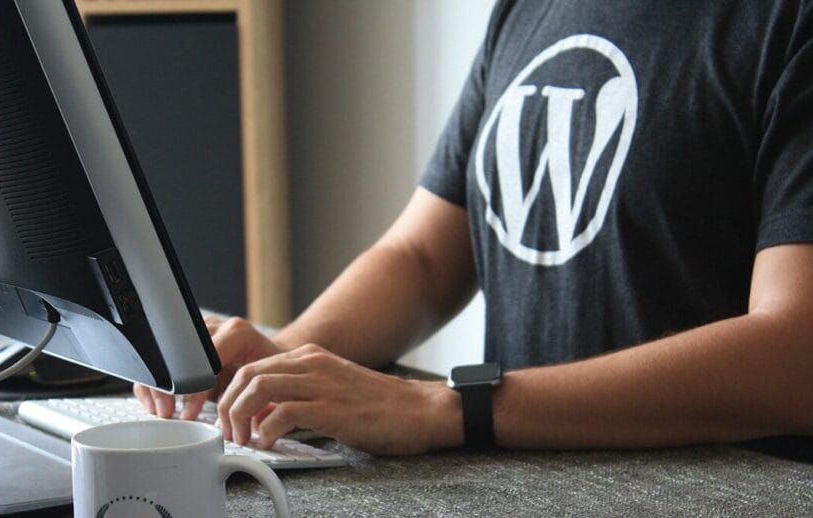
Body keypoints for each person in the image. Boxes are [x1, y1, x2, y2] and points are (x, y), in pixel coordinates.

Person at [136, 0, 813, 455]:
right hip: (524, 483)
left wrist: (449, 408)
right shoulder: (526, 9)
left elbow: (796, 354)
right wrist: (284, 360)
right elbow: (424, 257)